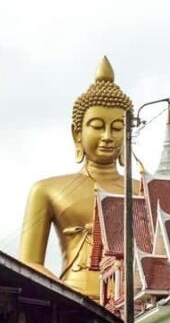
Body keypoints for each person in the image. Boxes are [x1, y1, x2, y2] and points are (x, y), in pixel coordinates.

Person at [18, 57, 138, 301]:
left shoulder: (141, 191)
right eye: (97, 126)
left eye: (117, 128)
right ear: (77, 133)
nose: (107, 136)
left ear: (128, 134)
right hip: (72, 303)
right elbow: (28, 264)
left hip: (130, 302)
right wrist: (65, 295)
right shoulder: (46, 190)